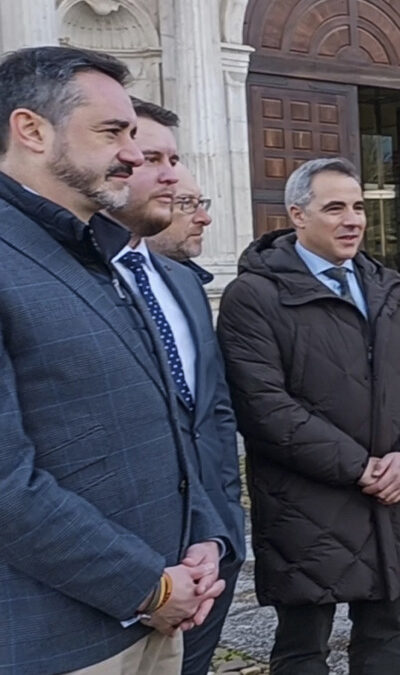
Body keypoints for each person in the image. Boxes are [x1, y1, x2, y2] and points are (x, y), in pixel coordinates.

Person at [0, 45, 229, 674]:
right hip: (57, 640)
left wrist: (202, 534)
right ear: (31, 130)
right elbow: (6, 486)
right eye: (112, 132)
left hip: (160, 617)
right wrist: (147, 588)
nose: (133, 153)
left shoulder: (101, 251)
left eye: (134, 132)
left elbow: (168, 419)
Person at [217, 157, 400, 674]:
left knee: (384, 637)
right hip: (307, 504)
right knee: (303, 649)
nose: (353, 220)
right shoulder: (254, 296)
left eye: (360, 207)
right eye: (335, 208)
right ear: (297, 215)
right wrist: (359, 467)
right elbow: (263, 405)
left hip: (393, 500)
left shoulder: (388, 287)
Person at [108, 103, 246, 675]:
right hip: (111, 574)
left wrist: (218, 534)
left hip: (207, 555)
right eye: (150, 157)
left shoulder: (182, 285)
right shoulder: (70, 279)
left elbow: (211, 415)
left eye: (174, 159)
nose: (167, 173)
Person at [146, 162, 213, 264]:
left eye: (200, 202)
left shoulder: (188, 277)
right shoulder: (119, 276)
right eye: (186, 202)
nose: (205, 218)